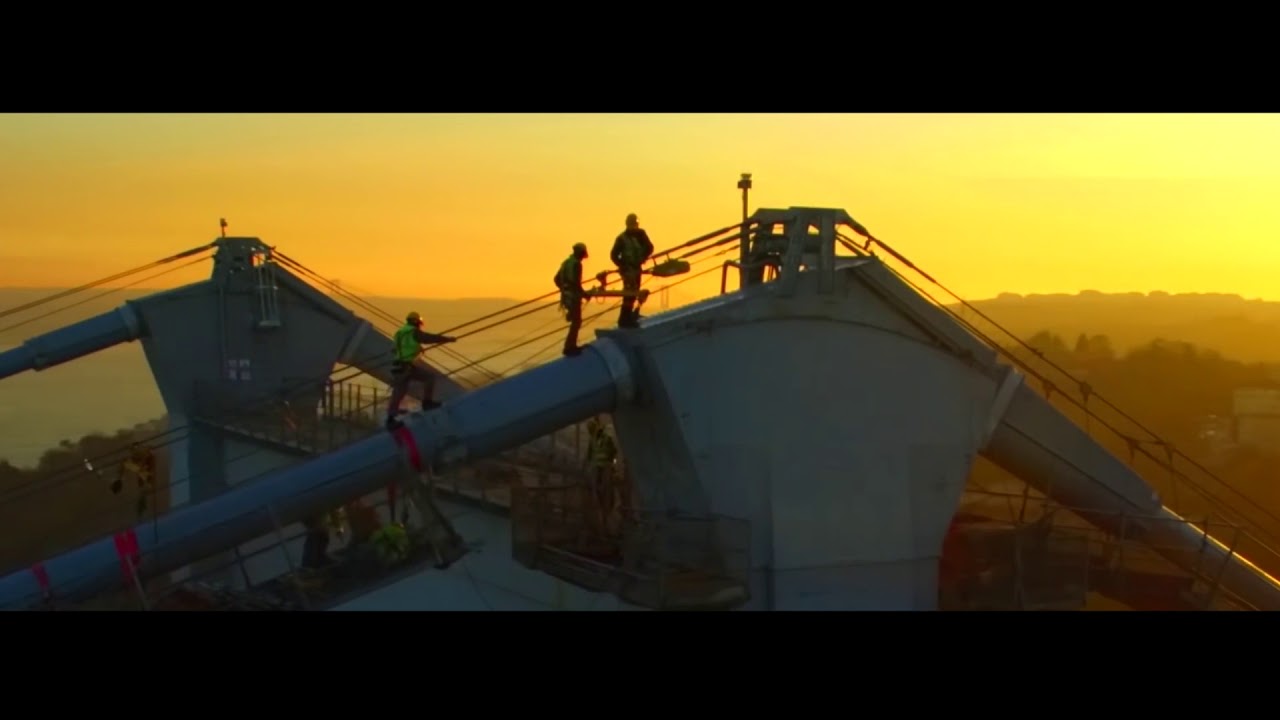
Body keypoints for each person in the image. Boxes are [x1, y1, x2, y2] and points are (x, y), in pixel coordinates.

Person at [385, 311, 457, 429]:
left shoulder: (400, 332)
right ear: (416, 322)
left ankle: (391, 419)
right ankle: (427, 403)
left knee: (400, 391)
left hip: (399, 366)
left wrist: (416, 348)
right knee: (428, 378)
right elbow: (428, 338)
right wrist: (446, 339)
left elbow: (397, 349)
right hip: (406, 366)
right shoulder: (413, 331)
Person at [611, 213, 654, 328]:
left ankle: (628, 317)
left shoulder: (641, 234)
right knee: (629, 294)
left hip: (636, 268)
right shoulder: (622, 238)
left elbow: (650, 247)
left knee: (634, 292)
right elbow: (614, 255)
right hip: (628, 270)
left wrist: (642, 257)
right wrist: (623, 266)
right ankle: (625, 319)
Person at [554, 242, 590, 357]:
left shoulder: (566, 263)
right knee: (577, 321)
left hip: (566, 295)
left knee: (574, 320)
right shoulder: (576, 264)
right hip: (573, 296)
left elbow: (556, 279)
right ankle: (570, 346)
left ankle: (570, 345)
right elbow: (576, 282)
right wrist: (584, 294)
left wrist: (564, 289)